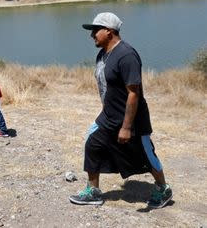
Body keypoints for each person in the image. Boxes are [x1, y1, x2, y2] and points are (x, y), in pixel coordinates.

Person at [69, 12, 172, 208]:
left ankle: (163, 188)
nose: (92, 35)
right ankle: (93, 191)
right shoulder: (103, 54)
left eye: (95, 31)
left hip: (133, 120)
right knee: (93, 144)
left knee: (146, 154)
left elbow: (133, 93)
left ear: (109, 31)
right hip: (109, 116)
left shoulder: (126, 55)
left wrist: (126, 127)